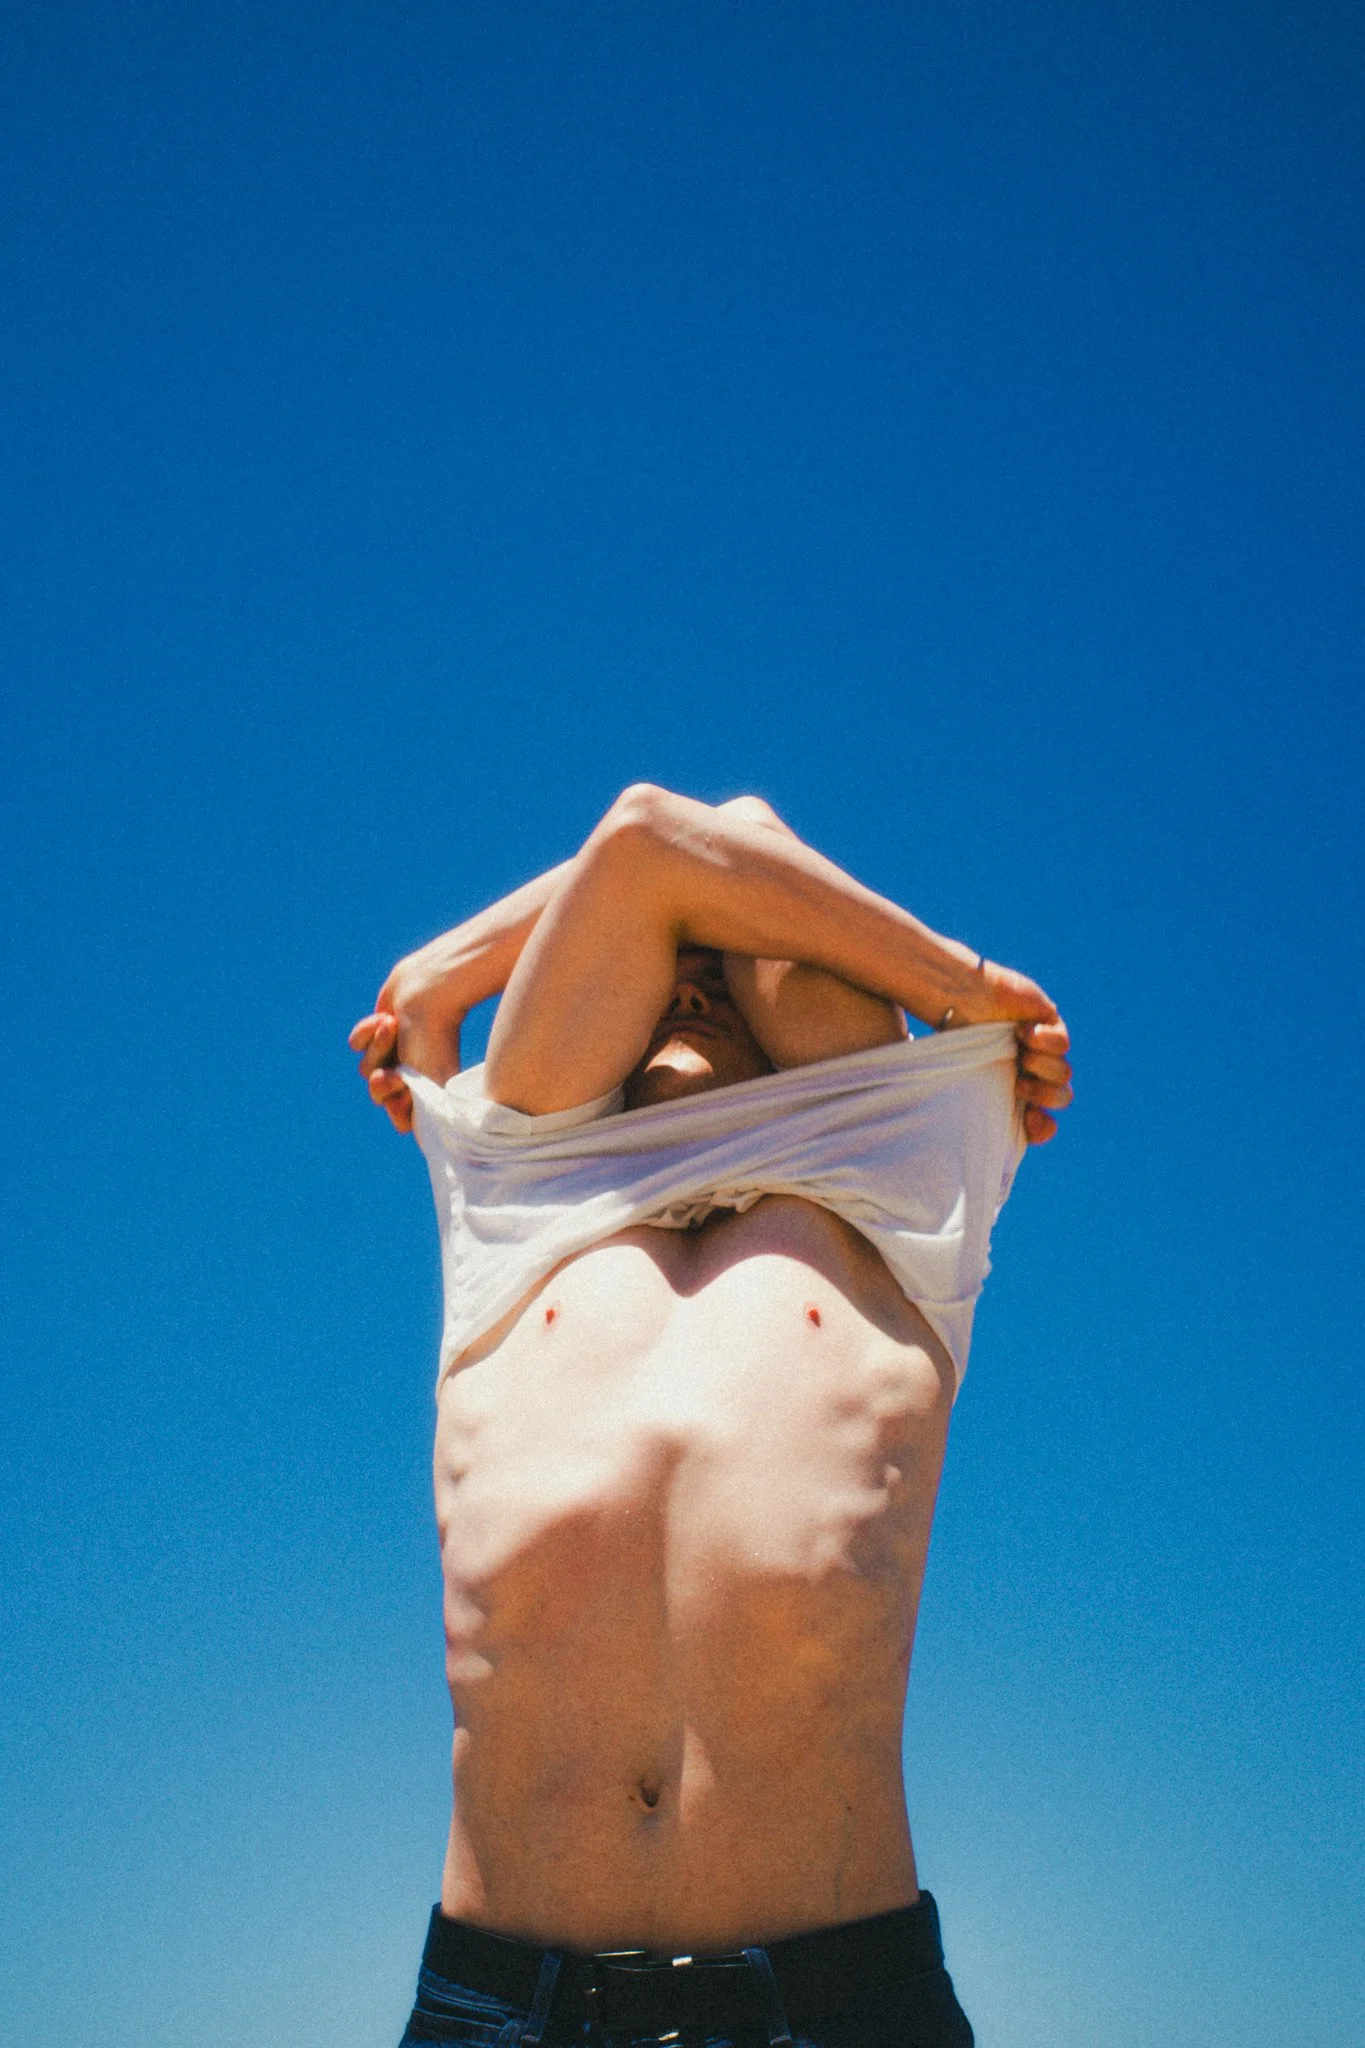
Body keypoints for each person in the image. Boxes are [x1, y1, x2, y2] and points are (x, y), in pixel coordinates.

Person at [350, 785, 1072, 2048]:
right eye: (663, 976)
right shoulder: (511, 1186)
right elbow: (646, 850)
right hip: (503, 2009)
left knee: (723, 877)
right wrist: (437, 977)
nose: (690, 984)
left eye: (726, 976)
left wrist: (959, 1006)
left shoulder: (902, 1178)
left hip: (841, 2004)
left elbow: (727, 840)